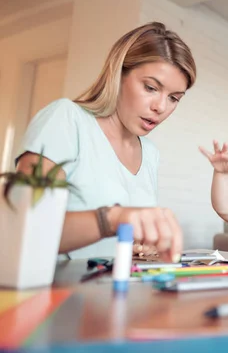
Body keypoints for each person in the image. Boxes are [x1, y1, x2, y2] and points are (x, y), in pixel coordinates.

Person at [15, 22, 197, 263]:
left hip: (116, 293)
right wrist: (112, 218)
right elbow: (25, 227)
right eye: (151, 87)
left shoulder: (150, 153)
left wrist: (142, 244)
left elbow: (119, 243)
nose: (160, 107)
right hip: (56, 292)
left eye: (174, 98)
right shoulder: (66, 119)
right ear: (118, 74)